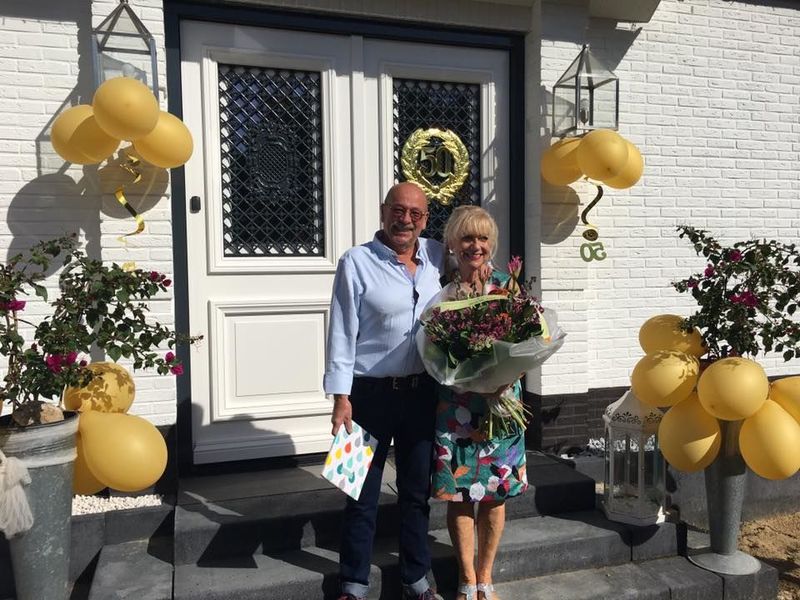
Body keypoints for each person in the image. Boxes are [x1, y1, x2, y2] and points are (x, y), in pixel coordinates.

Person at [324, 182, 446, 600]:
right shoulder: (355, 261)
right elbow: (341, 332)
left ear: (425, 220)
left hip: (421, 393)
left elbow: (475, 257)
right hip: (365, 394)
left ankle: (417, 579)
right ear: (383, 211)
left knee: (416, 494)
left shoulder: (436, 256)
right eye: (398, 210)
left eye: (415, 213)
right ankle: (353, 583)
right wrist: (340, 398)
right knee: (357, 490)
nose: (405, 220)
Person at [431, 206, 528, 600]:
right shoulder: (441, 289)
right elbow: (434, 349)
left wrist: (503, 379)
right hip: (456, 408)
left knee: (494, 493)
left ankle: (486, 577)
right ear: (453, 243)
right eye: (467, 237)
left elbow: (528, 344)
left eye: (483, 238)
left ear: (492, 243)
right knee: (459, 493)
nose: (476, 246)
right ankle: (466, 579)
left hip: (500, 404)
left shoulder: (508, 288)